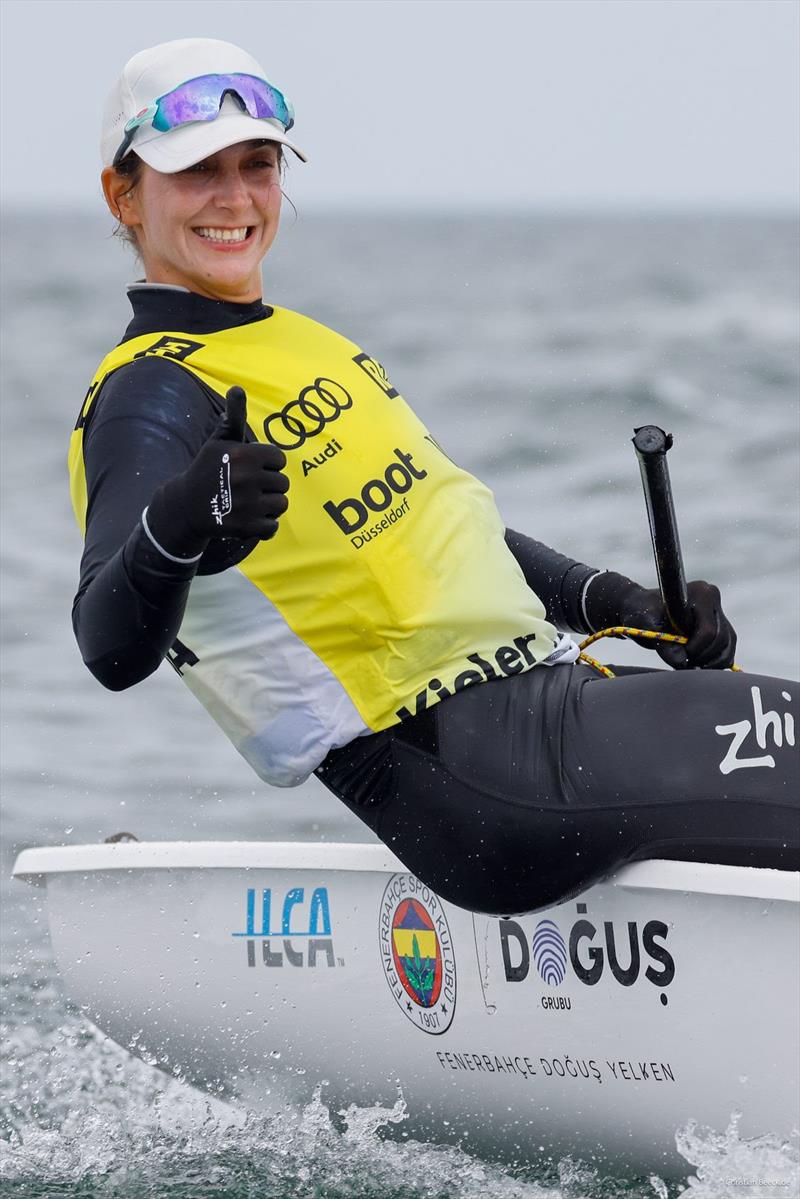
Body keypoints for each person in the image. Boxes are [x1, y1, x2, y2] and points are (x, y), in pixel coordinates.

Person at [71, 38, 799, 916]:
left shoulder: (302, 341)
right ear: (124, 195)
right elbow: (109, 644)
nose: (235, 198)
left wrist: (621, 603)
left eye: (257, 165)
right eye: (197, 173)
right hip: (472, 770)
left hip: (546, 715)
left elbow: (446, 530)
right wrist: (184, 521)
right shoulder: (149, 389)